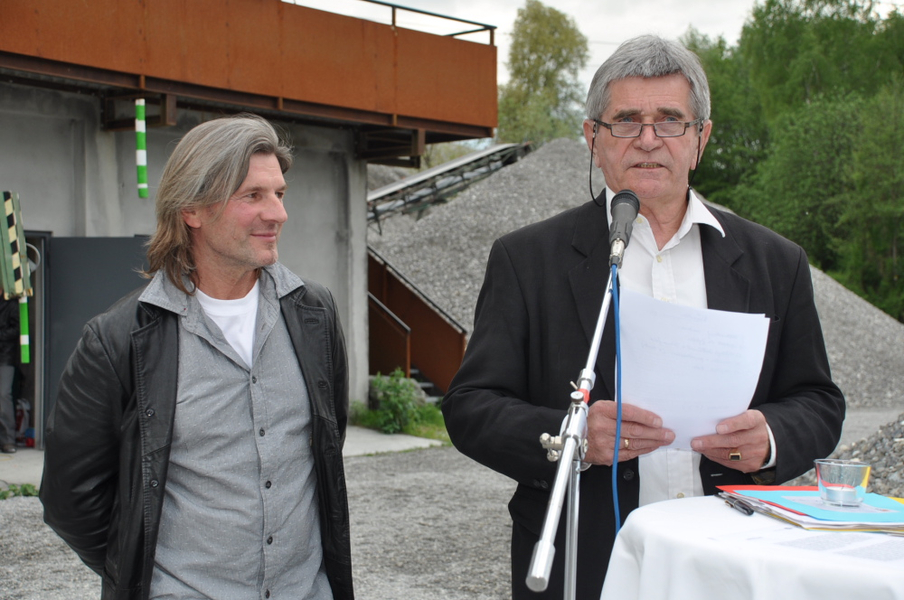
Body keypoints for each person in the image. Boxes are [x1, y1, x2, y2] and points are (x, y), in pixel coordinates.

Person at [442, 35, 845, 599]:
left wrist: (771, 438)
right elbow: (470, 406)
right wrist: (573, 438)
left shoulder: (776, 262)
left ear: (701, 138)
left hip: (734, 566)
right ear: (593, 139)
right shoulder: (527, 259)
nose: (648, 139)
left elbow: (818, 400)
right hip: (588, 564)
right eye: (626, 120)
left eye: (670, 120)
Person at [41, 114, 354, 600]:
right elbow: (71, 499)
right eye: (253, 196)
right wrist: (143, 572)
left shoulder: (315, 313)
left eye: (279, 194)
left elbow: (327, 443)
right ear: (192, 209)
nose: (278, 214)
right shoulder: (118, 339)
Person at [0, 293, 19, 454]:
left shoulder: (11, 304)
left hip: (5, 356)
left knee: (3, 395)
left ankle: (8, 440)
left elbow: (17, 329)